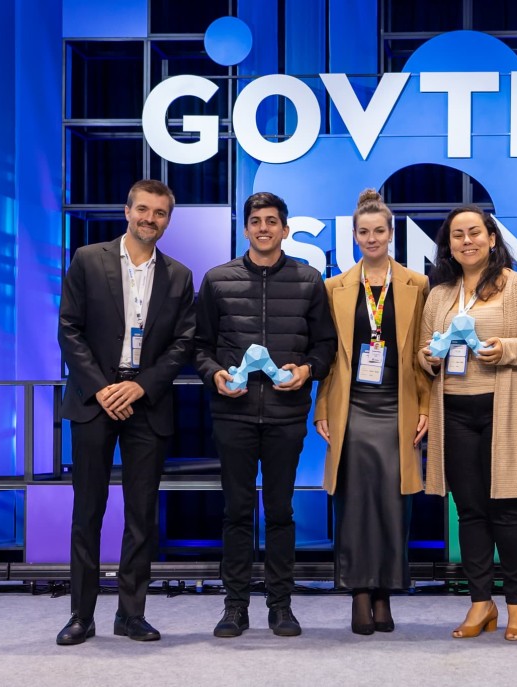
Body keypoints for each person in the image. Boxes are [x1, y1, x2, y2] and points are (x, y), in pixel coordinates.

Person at [56, 179, 196, 645]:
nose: (149, 218)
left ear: (168, 220)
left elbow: (183, 344)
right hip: (94, 401)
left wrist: (139, 386)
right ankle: (81, 615)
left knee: (141, 514)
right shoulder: (87, 259)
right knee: (87, 511)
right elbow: (69, 329)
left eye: (159, 213)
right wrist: (102, 389)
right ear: (127, 210)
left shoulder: (179, 275)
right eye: (143, 209)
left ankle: (130, 614)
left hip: (146, 402)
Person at [193, 192, 337, 639]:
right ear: (246, 229)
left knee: (280, 512)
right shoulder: (217, 280)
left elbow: (326, 346)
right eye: (256, 221)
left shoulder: (309, 280)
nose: (263, 228)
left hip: (285, 416)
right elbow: (199, 347)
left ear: (285, 229)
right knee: (236, 512)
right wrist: (214, 374)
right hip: (232, 415)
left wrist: (307, 370)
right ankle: (235, 606)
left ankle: (281, 606)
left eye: (272, 221)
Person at [418, 205, 517, 642]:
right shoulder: (440, 294)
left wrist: (507, 349)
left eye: (475, 232)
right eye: (457, 235)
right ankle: (481, 602)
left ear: (492, 238)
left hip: (506, 410)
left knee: (508, 510)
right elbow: (424, 350)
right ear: (448, 245)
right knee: (469, 511)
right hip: (455, 412)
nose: (467, 241)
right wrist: (428, 357)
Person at [314, 189, 430, 634]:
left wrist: (425, 406)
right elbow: (328, 357)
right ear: (354, 235)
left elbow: (422, 354)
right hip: (352, 407)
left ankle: (386, 592)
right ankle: (359, 593)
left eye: (379, 230)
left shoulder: (417, 285)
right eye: (363, 232)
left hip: (398, 407)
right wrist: (322, 408)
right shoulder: (334, 288)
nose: (371, 238)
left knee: (393, 504)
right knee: (354, 503)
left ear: (391, 233)